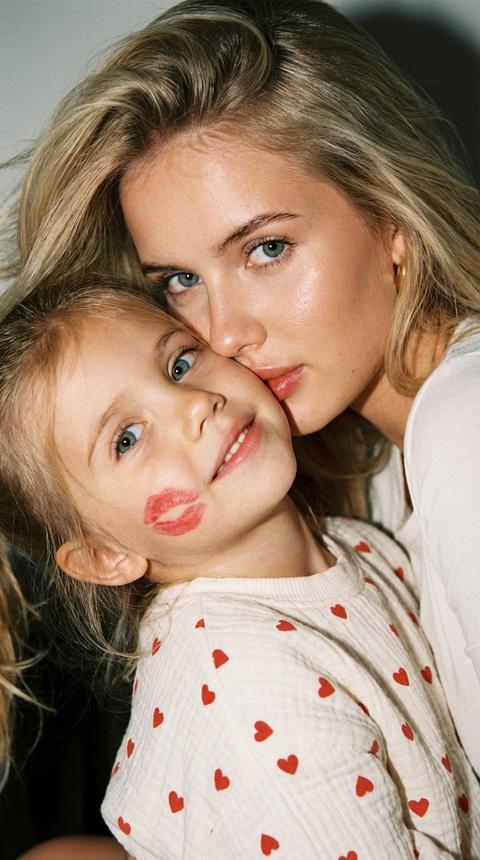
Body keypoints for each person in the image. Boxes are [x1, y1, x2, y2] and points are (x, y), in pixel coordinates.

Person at [1, 0, 479, 774]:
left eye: (266, 249)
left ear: (392, 214)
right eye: (182, 280)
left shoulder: (467, 429)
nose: (221, 335)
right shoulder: (390, 454)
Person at [0, 279, 479, 860]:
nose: (194, 403)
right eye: (126, 438)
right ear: (106, 556)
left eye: (179, 363)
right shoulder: (240, 688)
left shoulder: (352, 545)